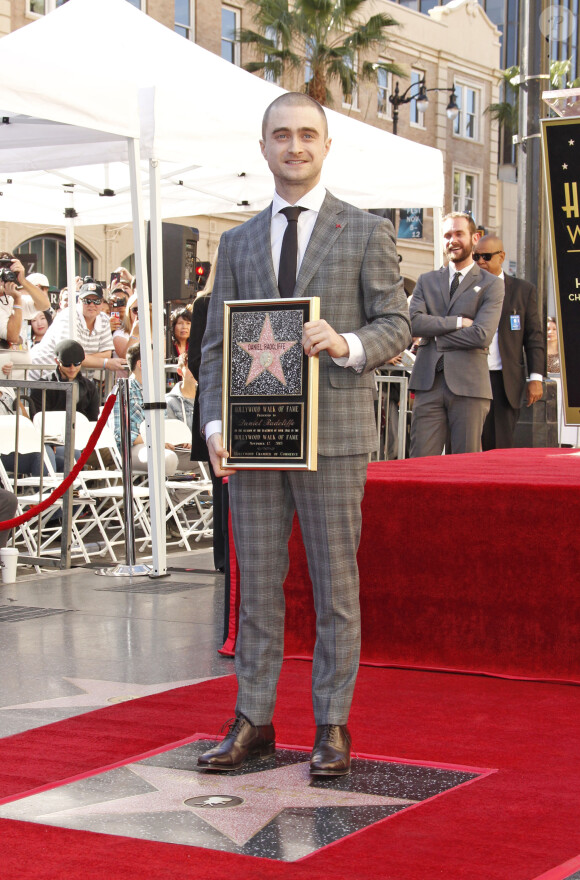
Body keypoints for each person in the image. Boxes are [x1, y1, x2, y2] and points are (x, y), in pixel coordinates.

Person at [197, 92, 410, 776]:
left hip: (336, 437)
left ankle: (332, 726)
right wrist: (213, 422)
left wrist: (343, 340)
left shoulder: (365, 230)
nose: (295, 146)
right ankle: (254, 720)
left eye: (307, 135)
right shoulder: (235, 242)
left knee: (333, 587)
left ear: (325, 146)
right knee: (256, 586)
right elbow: (213, 348)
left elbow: (396, 326)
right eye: (282, 135)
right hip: (257, 439)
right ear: (263, 147)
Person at [408, 212, 504, 457]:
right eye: (447, 235)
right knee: (419, 465)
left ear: (475, 238)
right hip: (428, 384)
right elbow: (414, 324)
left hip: (469, 387)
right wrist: (459, 322)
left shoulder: (492, 284)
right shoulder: (426, 280)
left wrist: (435, 336)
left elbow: (482, 335)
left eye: (459, 234)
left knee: (464, 469)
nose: (452, 240)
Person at [473, 235, 544, 450]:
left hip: (504, 381)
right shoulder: (466, 289)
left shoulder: (523, 291)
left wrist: (535, 378)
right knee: (469, 445)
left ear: (502, 256)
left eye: (486, 256)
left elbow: (534, 336)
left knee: (500, 446)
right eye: (476, 257)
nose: (480, 262)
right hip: (471, 377)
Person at [31, 279, 126, 377]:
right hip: (42, 376)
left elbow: (106, 354)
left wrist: (80, 359)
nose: (92, 305)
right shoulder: (68, 316)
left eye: (96, 301)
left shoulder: (104, 319)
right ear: (79, 301)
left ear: (102, 303)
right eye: (87, 301)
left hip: (73, 380)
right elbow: (69, 356)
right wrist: (105, 362)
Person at [112, 342, 178, 476]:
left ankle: (176, 497)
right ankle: (165, 497)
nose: (161, 365)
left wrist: (178, 441)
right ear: (141, 364)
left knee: (202, 457)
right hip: (130, 450)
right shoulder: (123, 391)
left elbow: (163, 425)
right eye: (157, 361)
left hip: (158, 446)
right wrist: (155, 440)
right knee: (167, 460)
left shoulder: (156, 392)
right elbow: (121, 435)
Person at [0, 257, 51, 348]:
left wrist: (22, 280)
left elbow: (44, 305)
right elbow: (13, 337)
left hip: (20, 359)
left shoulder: (10, 299)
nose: (4, 278)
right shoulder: (15, 299)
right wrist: (17, 300)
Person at [165, 351, 197, 472]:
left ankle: (184, 491)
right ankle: (182, 491)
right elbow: (172, 436)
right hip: (180, 453)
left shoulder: (205, 398)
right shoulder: (169, 401)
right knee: (213, 463)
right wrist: (186, 441)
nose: (195, 370)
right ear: (180, 371)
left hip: (201, 450)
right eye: (190, 366)